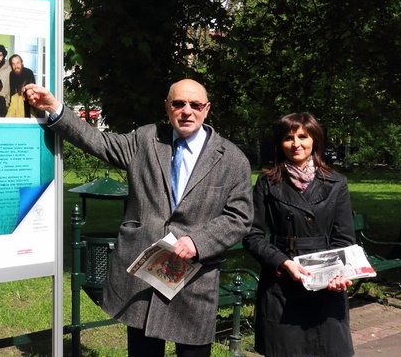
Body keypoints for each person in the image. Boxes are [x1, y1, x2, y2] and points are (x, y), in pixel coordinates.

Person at [23, 79, 253, 357]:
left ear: (207, 109)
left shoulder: (232, 158)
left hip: (193, 279)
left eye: (195, 105)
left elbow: (239, 216)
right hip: (144, 277)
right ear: (167, 107)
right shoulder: (146, 139)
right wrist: (54, 108)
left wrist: (199, 242)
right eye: (179, 104)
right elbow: (99, 141)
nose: (187, 111)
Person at [242, 112, 355, 357]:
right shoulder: (267, 183)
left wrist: (340, 274)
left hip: (326, 285)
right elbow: (252, 235)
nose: (296, 144)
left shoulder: (336, 183)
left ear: (314, 140)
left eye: (303, 136)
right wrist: (282, 262)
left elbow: (344, 239)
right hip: (282, 283)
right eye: (288, 137)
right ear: (279, 143)